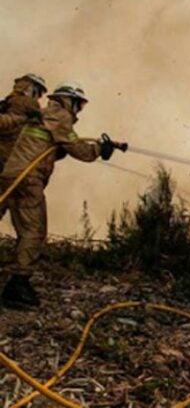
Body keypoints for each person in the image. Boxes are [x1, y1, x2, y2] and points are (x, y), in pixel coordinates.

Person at [0, 82, 120, 308]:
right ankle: (17, 286)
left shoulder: (45, 115)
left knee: (22, 228)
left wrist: (58, 151)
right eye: (78, 105)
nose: (78, 111)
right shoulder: (60, 115)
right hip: (28, 179)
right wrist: (100, 150)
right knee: (34, 231)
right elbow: (80, 150)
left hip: (12, 175)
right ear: (69, 100)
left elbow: (41, 147)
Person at [0, 74, 48, 168]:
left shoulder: (7, 102)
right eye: (39, 92)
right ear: (31, 88)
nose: (39, 97)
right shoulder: (29, 102)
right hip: (11, 157)